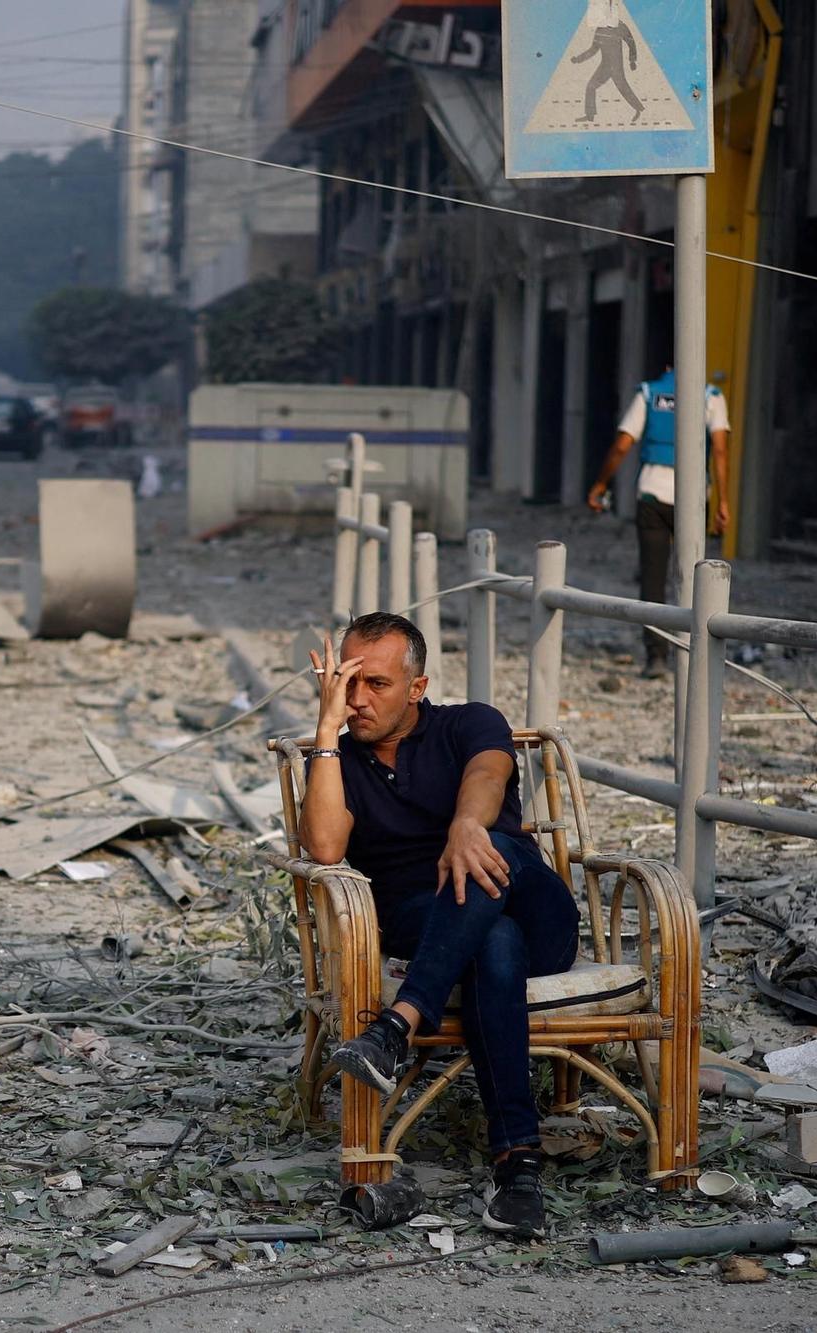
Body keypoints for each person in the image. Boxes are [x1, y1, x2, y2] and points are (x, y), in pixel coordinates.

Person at [302, 613, 579, 1237]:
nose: (358, 699)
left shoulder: (469, 721)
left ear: (417, 688)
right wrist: (325, 731)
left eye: (376, 684)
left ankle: (398, 1027)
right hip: (432, 926)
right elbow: (323, 847)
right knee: (491, 940)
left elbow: (488, 774)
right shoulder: (340, 758)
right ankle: (518, 1168)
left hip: (535, 909)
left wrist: (466, 826)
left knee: (493, 859)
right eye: (347, 683)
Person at [585, 367, 731, 678]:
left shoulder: (648, 394)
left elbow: (623, 444)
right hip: (693, 501)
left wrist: (600, 483)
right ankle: (695, 655)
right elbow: (719, 449)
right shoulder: (711, 397)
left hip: (653, 495)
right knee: (693, 578)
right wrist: (723, 501)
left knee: (653, 578)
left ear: (666, 369)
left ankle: (656, 657)